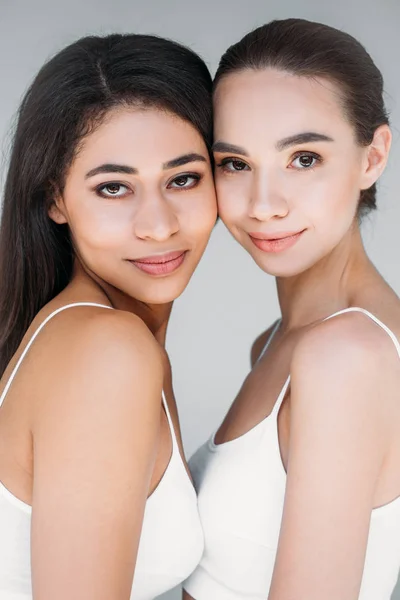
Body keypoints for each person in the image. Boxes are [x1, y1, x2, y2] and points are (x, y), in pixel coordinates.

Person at [184, 18, 400, 600]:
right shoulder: (279, 340)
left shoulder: (346, 357)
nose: (263, 204)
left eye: (303, 159)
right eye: (235, 163)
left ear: (372, 157)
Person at [0, 33, 217, 600]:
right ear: (56, 199)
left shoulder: (95, 336)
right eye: (114, 187)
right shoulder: (107, 352)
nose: (158, 223)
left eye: (184, 178)